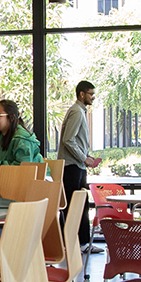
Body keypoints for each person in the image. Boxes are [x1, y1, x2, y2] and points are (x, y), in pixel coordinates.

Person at [56, 80, 102, 244]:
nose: (93, 98)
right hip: (72, 167)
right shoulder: (76, 111)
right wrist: (84, 158)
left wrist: (86, 157)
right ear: (82, 94)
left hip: (77, 166)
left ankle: (81, 244)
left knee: (80, 206)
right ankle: (77, 244)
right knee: (76, 208)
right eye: (91, 94)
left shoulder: (79, 111)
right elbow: (69, 140)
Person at [0, 98, 42, 196]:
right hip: (12, 180)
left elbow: (23, 169)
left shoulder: (21, 139)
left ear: (11, 117)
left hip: (35, 184)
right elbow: (0, 160)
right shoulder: (1, 136)